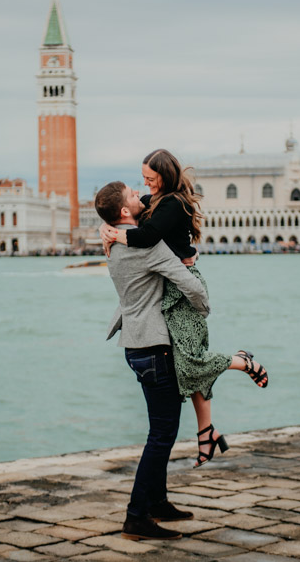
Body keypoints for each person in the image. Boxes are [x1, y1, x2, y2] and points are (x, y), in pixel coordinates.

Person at [100, 149, 268, 469]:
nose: (145, 184)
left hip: (182, 284)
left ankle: (241, 361)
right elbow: (127, 210)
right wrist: (106, 228)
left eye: (150, 178)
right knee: (185, 364)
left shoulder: (173, 203)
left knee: (191, 360)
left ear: (164, 175)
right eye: (144, 179)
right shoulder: (156, 199)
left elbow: (148, 235)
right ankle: (206, 432)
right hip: (169, 287)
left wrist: (116, 235)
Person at [95, 180, 207, 541]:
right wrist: (204, 307)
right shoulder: (146, 244)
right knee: (161, 434)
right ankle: (136, 517)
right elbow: (187, 283)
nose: (138, 195)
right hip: (156, 346)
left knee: (160, 430)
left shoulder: (113, 241)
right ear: (125, 211)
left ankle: (157, 502)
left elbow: (142, 208)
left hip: (135, 345)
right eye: (132, 194)